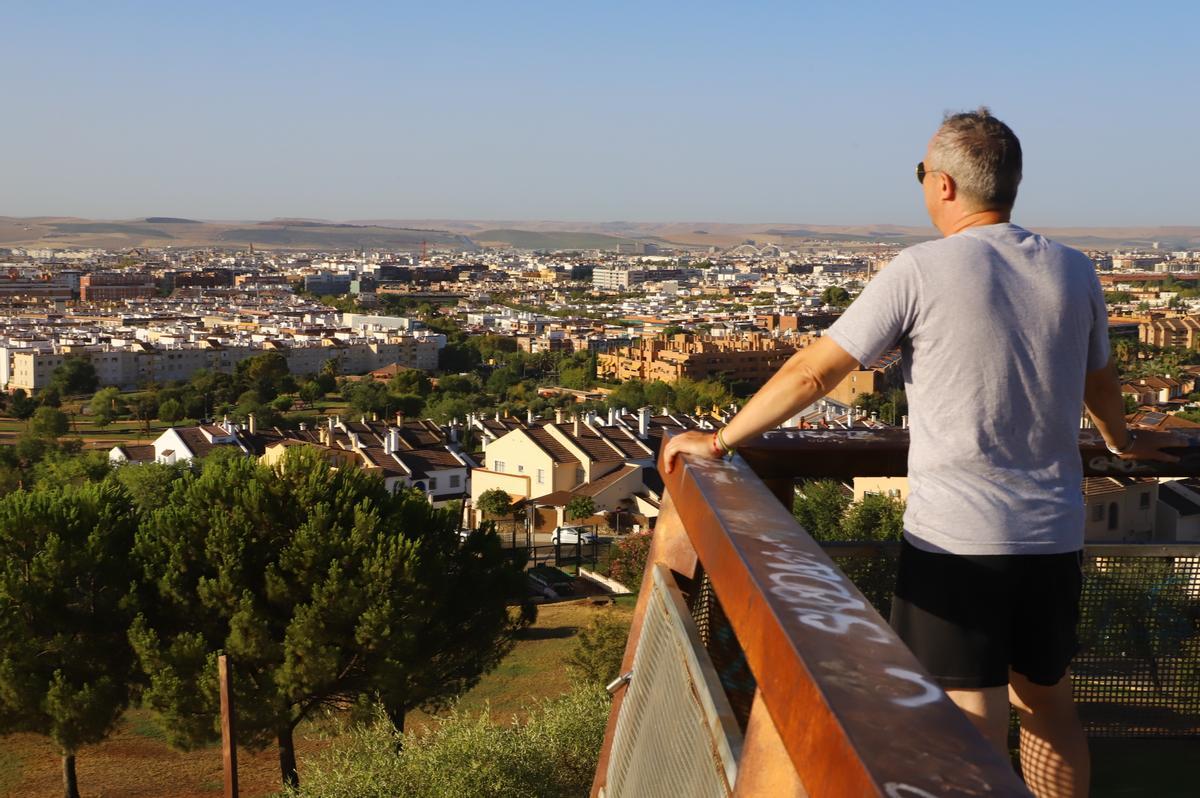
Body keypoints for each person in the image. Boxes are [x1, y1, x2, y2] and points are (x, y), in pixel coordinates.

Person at [662, 107, 1183, 798]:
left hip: (955, 544)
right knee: (1050, 707)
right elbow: (1099, 384)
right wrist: (1121, 444)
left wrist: (721, 439)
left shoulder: (919, 270)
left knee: (970, 724)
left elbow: (815, 373)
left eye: (920, 174)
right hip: (1054, 537)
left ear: (942, 185)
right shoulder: (1074, 269)